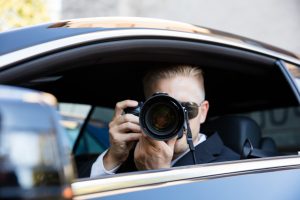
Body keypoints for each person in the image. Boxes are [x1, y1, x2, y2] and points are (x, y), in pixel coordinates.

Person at [90, 65, 239, 177]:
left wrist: (158, 177)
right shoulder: (132, 155)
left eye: (186, 108)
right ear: (145, 112)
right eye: (162, 110)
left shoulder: (233, 168)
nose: (174, 118)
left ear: (203, 112)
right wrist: (114, 157)